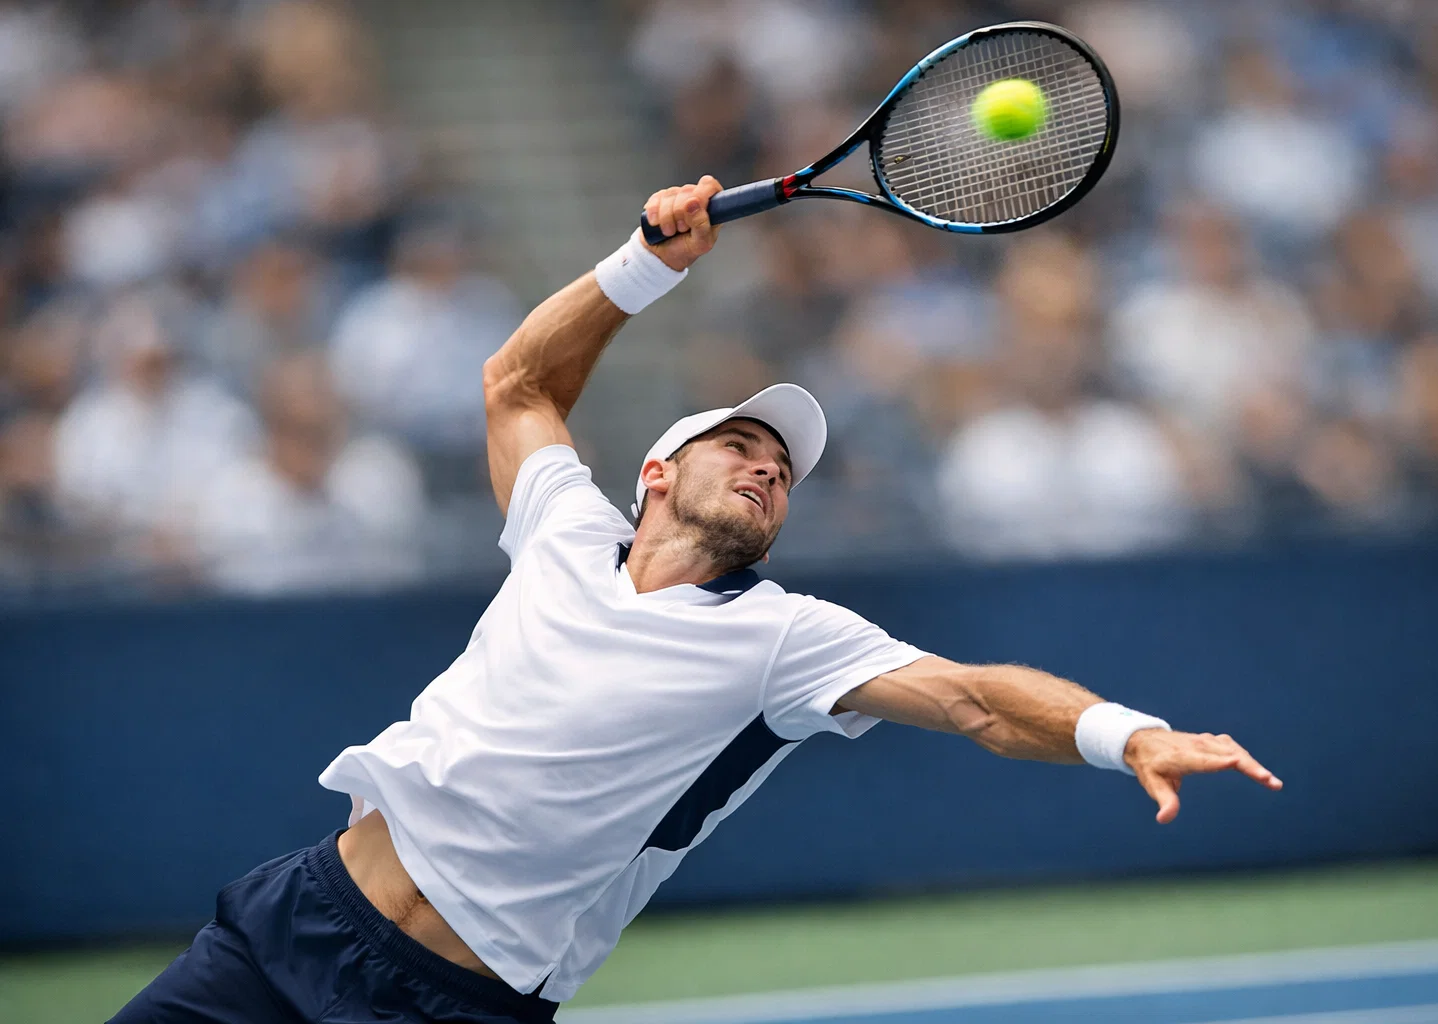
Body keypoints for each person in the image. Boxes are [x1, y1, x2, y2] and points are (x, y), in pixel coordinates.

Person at [112, 176, 1283, 1024]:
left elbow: (974, 698)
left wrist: (1124, 731)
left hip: (451, 1005)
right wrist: (642, 266)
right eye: (742, 443)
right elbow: (517, 383)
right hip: (293, 925)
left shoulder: (787, 639)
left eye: (785, 469)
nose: (770, 466)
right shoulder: (566, 527)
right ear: (657, 473)